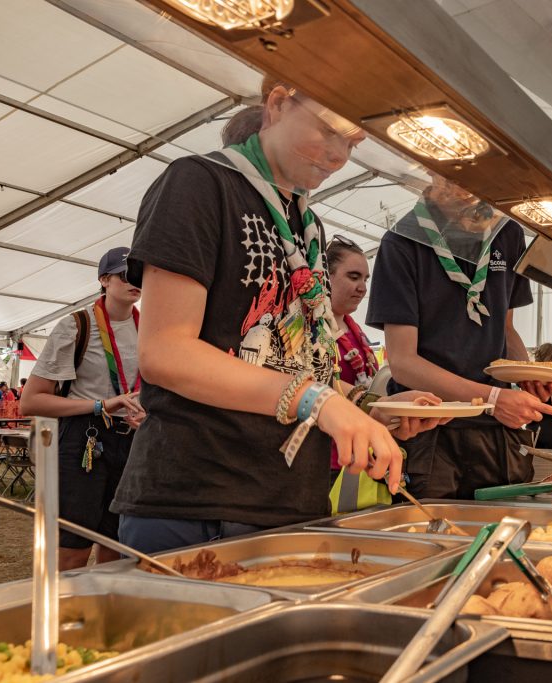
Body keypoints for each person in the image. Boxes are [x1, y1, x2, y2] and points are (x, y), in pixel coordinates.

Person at [111, 80, 443, 554]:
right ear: (278, 104)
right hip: (202, 502)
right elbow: (165, 352)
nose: (338, 156)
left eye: (351, 143)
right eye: (328, 131)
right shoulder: (198, 182)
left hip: (292, 498)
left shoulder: (306, 221)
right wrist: (320, 403)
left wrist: (367, 407)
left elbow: (298, 364)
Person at [367, 173, 552, 499]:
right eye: (453, 179)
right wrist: (492, 399)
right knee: (436, 532)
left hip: (498, 434)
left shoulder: (507, 232)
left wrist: (526, 374)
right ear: (431, 172)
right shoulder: (401, 242)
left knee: (505, 527)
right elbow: (403, 362)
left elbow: (505, 328)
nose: (468, 193)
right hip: (431, 431)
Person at [20, 247, 146, 570]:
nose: (135, 281)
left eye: (139, 274)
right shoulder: (76, 326)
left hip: (131, 441)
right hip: (85, 440)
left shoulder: (148, 328)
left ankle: (103, 615)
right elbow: (30, 401)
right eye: (124, 274)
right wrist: (100, 404)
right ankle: (63, 616)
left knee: (116, 547)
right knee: (73, 549)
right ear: (104, 279)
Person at [325, 234, 379, 472]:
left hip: (361, 455)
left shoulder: (356, 332)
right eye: (353, 277)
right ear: (326, 277)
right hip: (326, 459)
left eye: (365, 279)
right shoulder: (309, 330)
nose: (362, 288)